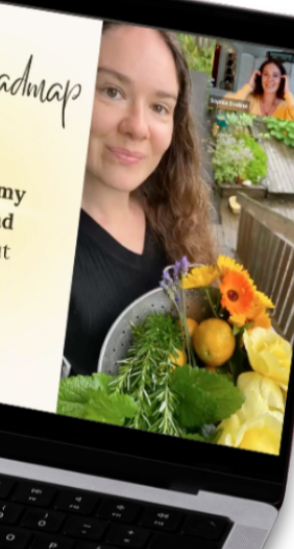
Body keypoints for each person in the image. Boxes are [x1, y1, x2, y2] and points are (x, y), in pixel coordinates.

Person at [63, 22, 215, 377]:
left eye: (159, 107)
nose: (137, 126)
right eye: (112, 91)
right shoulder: (32, 244)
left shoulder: (171, 218)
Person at [226, 58, 294, 122]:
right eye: (266, 74)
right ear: (260, 77)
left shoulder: (288, 108)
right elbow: (225, 108)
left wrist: (288, 93)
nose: (270, 79)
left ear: (282, 80)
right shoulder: (249, 99)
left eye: (275, 75)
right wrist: (249, 86)